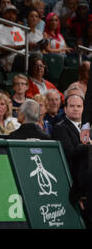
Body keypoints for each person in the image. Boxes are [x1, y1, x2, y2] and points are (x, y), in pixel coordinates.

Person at [52, 94, 92, 227]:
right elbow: (69, 152)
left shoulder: (88, 127)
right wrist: (88, 147)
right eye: (72, 106)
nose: (76, 109)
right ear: (65, 108)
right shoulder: (60, 127)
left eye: (79, 106)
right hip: (75, 183)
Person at [0, 4, 26, 72]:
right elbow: (2, 48)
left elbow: (23, 46)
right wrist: (20, 47)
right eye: (8, 12)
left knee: (38, 57)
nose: (11, 15)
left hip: (22, 55)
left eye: (13, 13)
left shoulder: (18, 29)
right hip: (8, 58)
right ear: (3, 15)